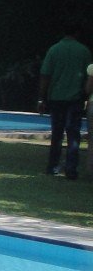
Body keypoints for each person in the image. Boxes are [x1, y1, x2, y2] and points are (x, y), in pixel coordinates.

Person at [39, 22, 91, 179]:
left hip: (56, 97)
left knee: (57, 134)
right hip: (75, 99)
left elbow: (45, 75)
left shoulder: (54, 49)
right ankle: (71, 169)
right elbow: (89, 77)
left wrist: (42, 98)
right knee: (73, 134)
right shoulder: (84, 51)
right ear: (77, 33)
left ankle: (53, 166)